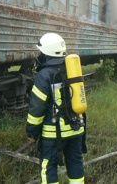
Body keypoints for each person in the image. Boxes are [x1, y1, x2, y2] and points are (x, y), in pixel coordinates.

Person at [26, 33, 85, 184]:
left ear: (46, 54)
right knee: (76, 163)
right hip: (76, 128)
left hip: (53, 133)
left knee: (48, 167)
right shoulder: (72, 69)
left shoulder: (44, 75)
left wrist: (31, 131)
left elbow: (36, 108)